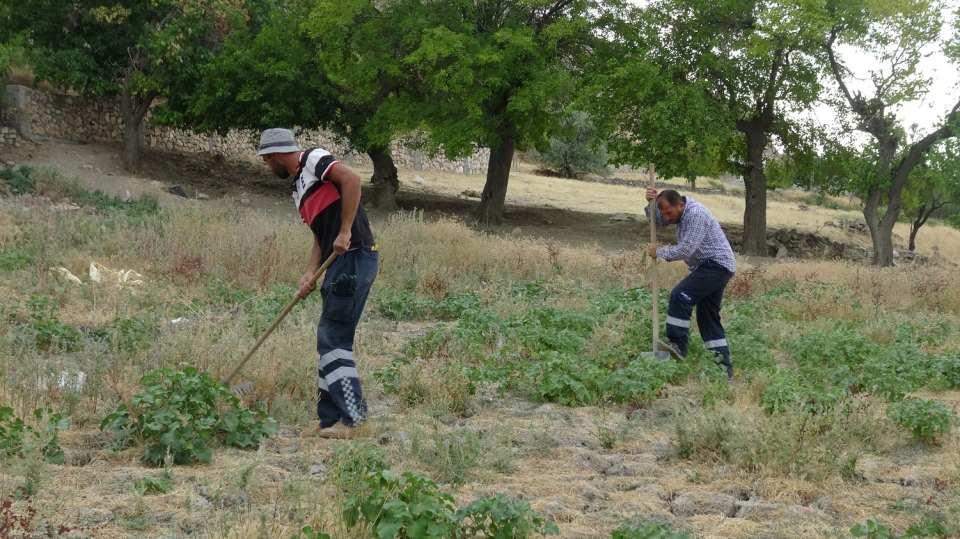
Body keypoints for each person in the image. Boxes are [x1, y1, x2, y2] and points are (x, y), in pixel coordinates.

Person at [257, 128, 378, 437]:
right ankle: (329, 419)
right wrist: (309, 273)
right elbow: (319, 237)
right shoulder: (298, 190)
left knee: (332, 336)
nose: (268, 167)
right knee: (330, 338)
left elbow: (351, 180)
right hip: (335, 262)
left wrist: (346, 229)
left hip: (354, 257)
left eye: (267, 161)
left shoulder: (314, 159)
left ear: (275, 156)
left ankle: (353, 419)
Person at [645, 188, 736, 379]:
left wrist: (659, 252)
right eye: (664, 212)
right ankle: (723, 369)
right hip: (710, 267)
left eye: (669, 212)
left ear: (680, 204)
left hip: (715, 265)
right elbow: (659, 222)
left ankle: (677, 345)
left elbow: (686, 250)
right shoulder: (678, 213)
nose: (667, 217)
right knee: (707, 318)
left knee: (680, 296)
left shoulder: (696, 214)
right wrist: (651, 204)